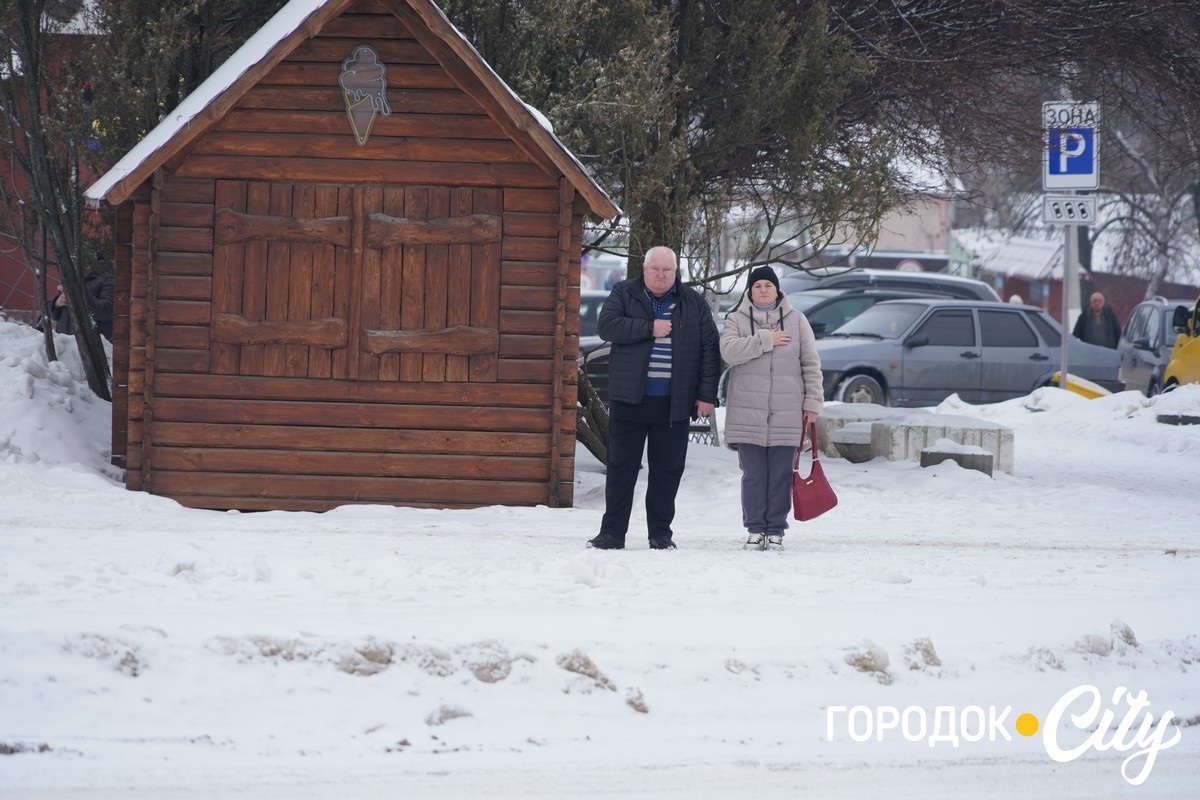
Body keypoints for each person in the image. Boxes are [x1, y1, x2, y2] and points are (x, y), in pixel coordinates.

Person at [587, 246, 721, 550]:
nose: (661, 275)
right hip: (630, 399)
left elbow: (710, 349)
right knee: (621, 467)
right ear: (644, 269)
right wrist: (650, 328)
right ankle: (612, 534)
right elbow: (607, 326)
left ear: (676, 272)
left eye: (667, 270)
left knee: (668, 470)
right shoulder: (624, 292)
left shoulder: (692, 302)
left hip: (674, 403)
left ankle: (660, 534)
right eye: (655, 269)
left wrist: (705, 395)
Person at [720, 266, 824, 551]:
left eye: (768, 285)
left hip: (788, 411)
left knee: (780, 475)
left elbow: (811, 364)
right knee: (753, 475)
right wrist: (767, 339)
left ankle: (775, 530)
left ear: (777, 290)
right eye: (757, 286)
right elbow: (728, 352)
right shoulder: (736, 319)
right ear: (749, 291)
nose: (763, 290)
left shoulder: (797, 320)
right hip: (747, 411)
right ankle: (755, 529)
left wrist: (813, 402)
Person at [48, 268, 115, 341]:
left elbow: (105, 311)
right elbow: (51, 315)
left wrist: (79, 292)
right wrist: (56, 304)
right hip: (66, 343)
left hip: (93, 345)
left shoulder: (107, 281)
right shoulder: (70, 281)